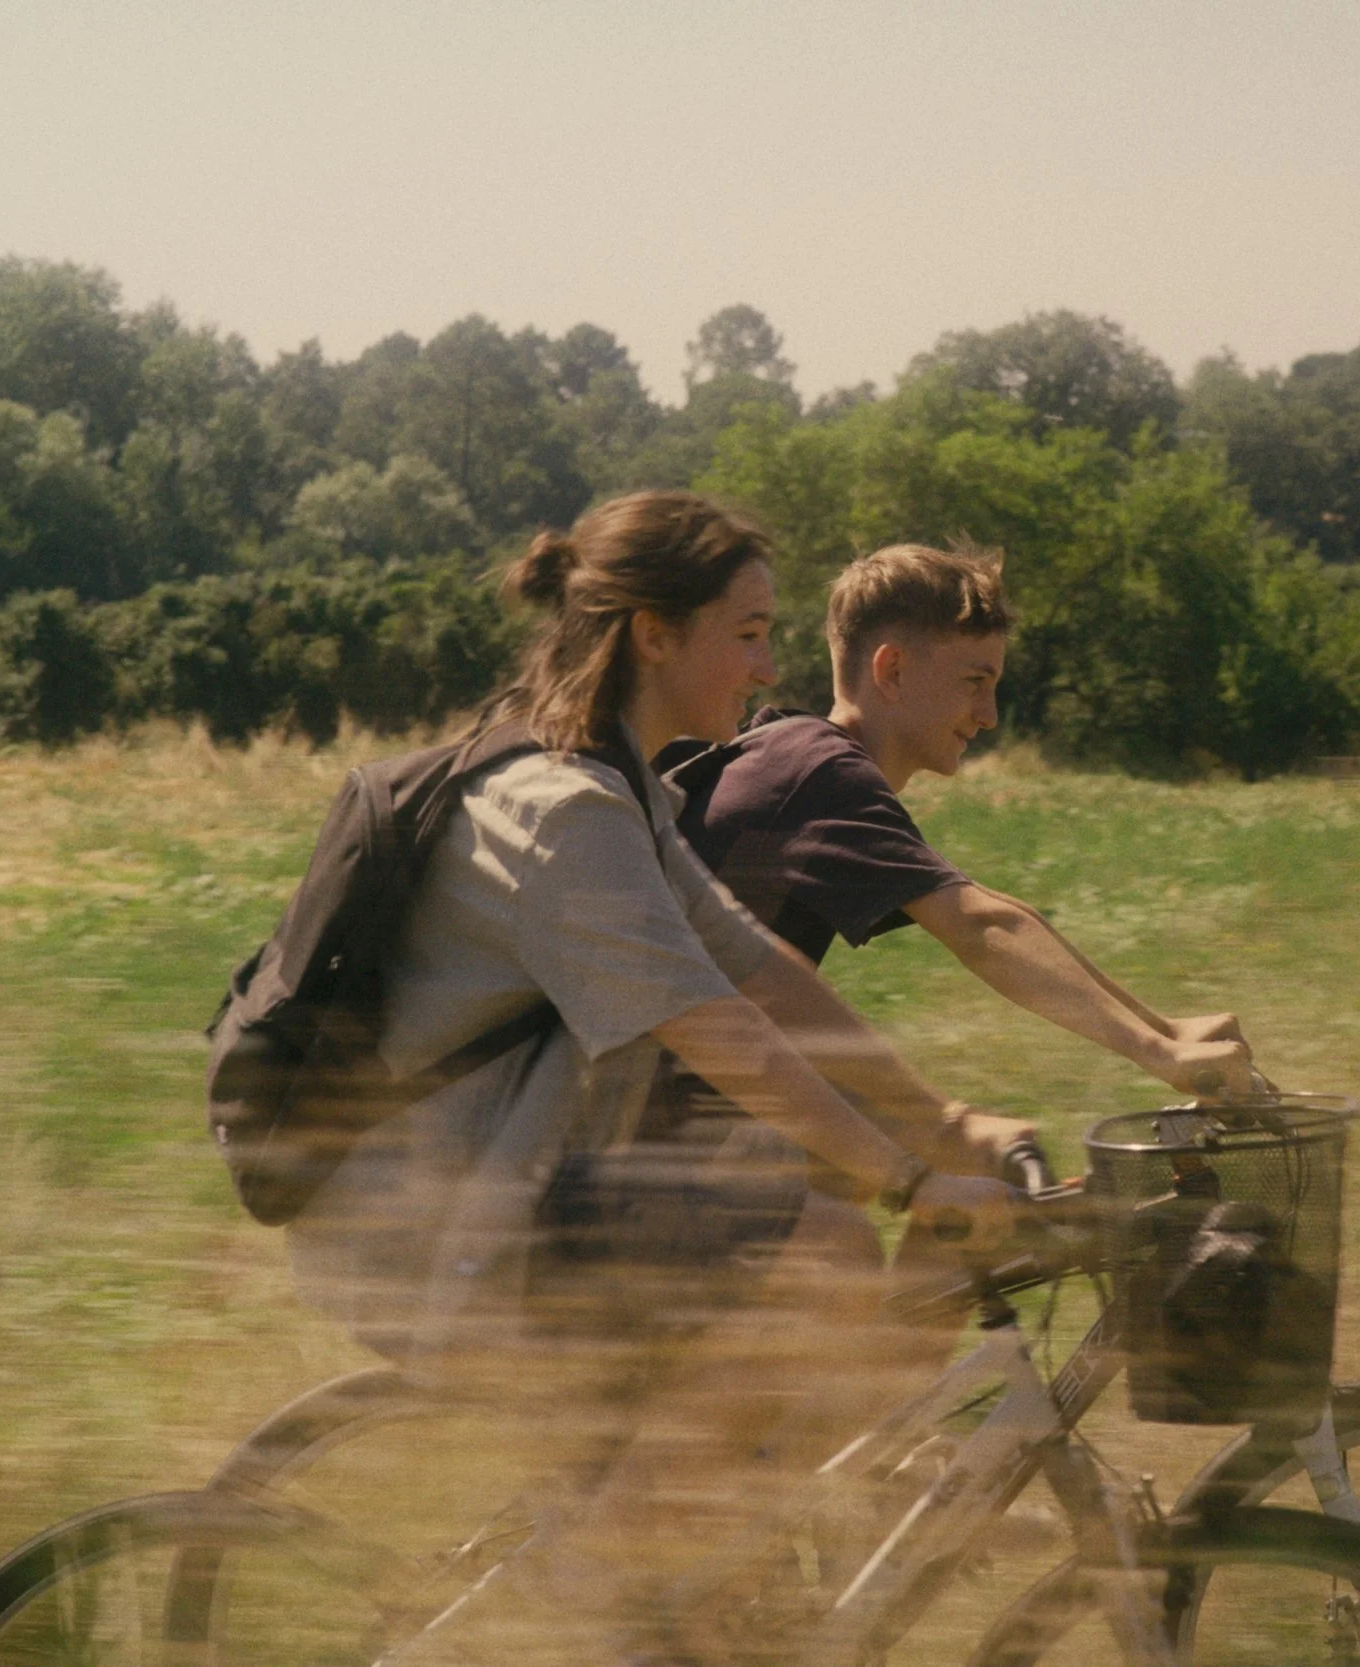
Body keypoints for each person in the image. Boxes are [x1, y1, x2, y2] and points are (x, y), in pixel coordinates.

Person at [284, 491, 1022, 1663]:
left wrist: (944, 1119)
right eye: (745, 633)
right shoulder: (562, 809)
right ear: (653, 635)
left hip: (528, 1181)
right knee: (824, 1252)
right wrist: (904, 1176)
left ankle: (688, 1575)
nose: (767, 664)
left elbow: (754, 966)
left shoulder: (618, 785)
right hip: (443, 1217)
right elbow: (715, 1027)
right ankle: (590, 1589)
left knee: (807, 1256)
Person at [664, 540, 1256, 1124]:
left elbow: (993, 909)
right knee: (925, 1165)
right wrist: (1164, 1053)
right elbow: (978, 925)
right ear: (891, 670)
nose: (990, 714)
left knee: (896, 1149)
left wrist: (1167, 1029)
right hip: (642, 1110)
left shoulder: (793, 752)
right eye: (975, 680)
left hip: (680, 1083)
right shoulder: (821, 774)